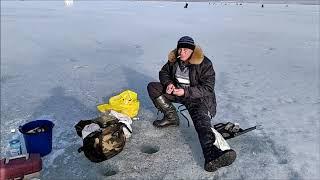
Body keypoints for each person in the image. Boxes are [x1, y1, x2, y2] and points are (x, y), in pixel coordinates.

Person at [147, 36, 236, 172]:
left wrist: (185, 92)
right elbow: (164, 72)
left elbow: (208, 88)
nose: (181, 52)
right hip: (177, 92)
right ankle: (171, 118)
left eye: (186, 50)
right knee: (153, 87)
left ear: (192, 52)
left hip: (197, 99)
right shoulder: (174, 60)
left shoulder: (204, 63)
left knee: (201, 124)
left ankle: (211, 154)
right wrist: (169, 84)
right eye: (180, 49)